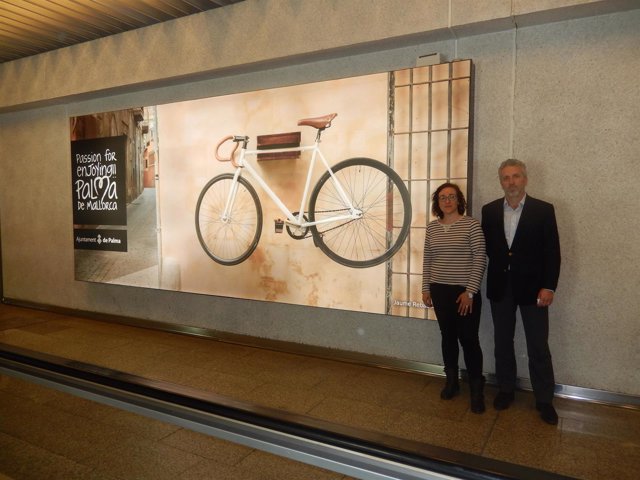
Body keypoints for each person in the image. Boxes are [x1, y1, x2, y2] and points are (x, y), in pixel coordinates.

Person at [481, 159, 561, 425]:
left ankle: (544, 399)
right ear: (500, 181)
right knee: (503, 342)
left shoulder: (543, 210)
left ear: (525, 179)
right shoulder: (489, 210)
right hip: (501, 288)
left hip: (534, 289)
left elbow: (552, 252)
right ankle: (506, 390)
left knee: (538, 345)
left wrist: (548, 286)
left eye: (516, 176)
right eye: (506, 177)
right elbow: (489, 250)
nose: (511, 182)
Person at [422, 183, 487, 414]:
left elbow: (480, 258)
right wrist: (426, 289)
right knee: (447, 337)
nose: (447, 201)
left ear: (459, 200)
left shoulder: (471, 225)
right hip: (439, 291)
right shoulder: (432, 228)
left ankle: (477, 389)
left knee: (469, 339)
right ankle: (452, 382)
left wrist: (470, 291)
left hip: (464, 294)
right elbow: (428, 259)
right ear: (437, 203)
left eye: (451, 197)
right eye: (442, 198)